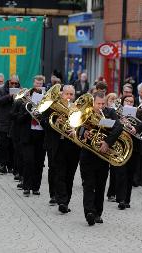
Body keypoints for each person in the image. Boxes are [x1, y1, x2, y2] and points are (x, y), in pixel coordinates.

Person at [80, 91, 123, 226]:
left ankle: (98, 213)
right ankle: (89, 213)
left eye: (102, 103)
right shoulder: (86, 112)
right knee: (88, 185)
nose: (100, 106)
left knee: (100, 186)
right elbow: (75, 126)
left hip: (103, 156)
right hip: (87, 154)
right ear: (93, 103)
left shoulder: (110, 113)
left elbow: (119, 127)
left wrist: (107, 142)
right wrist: (83, 131)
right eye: (98, 104)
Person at [50, 85, 81, 214]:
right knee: (60, 174)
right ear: (62, 94)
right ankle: (61, 200)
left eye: (71, 94)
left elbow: (82, 125)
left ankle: (66, 201)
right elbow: (46, 122)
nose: (69, 96)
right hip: (59, 144)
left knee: (70, 175)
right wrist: (58, 121)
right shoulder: (53, 107)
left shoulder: (77, 109)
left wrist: (75, 129)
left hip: (73, 146)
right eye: (66, 94)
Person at [17, 75, 46, 196]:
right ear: (33, 84)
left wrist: (41, 114)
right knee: (29, 161)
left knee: (39, 162)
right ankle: (26, 186)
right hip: (28, 135)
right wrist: (30, 113)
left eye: (40, 84)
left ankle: (35, 187)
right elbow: (18, 118)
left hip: (41, 134)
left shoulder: (46, 99)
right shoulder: (25, 98)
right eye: (36, 84)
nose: (38, 86)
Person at [0, 75, 20, 174]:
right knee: (2, 145)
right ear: (8, 82)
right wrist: (9, 96)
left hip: (14, 123)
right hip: (3, 121)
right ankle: (3, 165)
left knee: (12, 146)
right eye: (12, 83)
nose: (13, 85)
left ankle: (11, 166)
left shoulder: (20, 90)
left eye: (15, 83)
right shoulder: (1, 90)